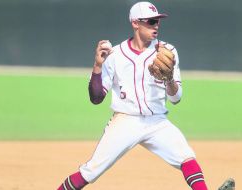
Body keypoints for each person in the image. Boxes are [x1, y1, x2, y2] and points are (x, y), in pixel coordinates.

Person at [57, 2, 234, 190]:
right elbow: (96, 98)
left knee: (187, 157)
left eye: (157, 21)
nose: (156, 25)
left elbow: (176, 99)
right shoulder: (115, 55)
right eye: (150, 21)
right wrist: (98, 67)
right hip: (125, 120)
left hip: (157, 122)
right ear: (135, 23)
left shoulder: (168, 51)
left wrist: (169, 80)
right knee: (90, 171)